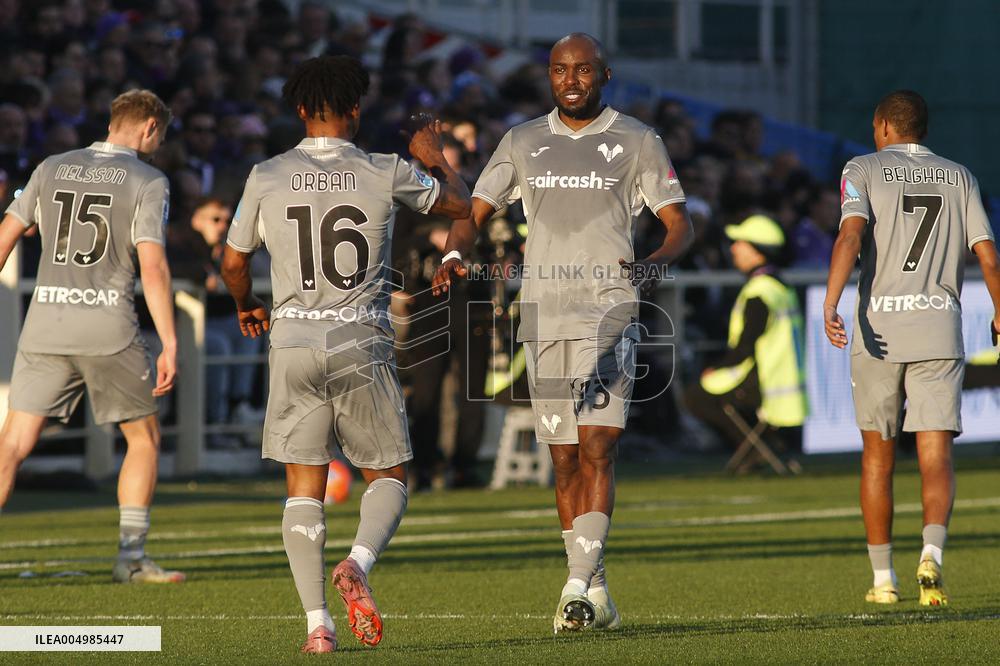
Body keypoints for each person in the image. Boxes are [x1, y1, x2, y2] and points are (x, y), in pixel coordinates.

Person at [433, 33, 693, 632]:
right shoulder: (522, 141)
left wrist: (655, 261)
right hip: (543, 315)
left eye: (582, 70)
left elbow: (678, 224)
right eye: (559, 70)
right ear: (549, 77)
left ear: (605, 73)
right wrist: (452, 256)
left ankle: (575, 586)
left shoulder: (637, 140)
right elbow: (473, 213)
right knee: (567, 458)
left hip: (608, 311)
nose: (571, 80)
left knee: (600, 446)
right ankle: (594, 591)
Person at [221, 55, 471, 654]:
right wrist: (434, 155)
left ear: (301, 109)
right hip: (360, 338)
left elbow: (232, 263)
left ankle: (318, 627)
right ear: (357, 110)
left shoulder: (267, 173)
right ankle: (357, 562)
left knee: (303, 488)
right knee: (387, 474)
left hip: (294, 342)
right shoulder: (385, 169)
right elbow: (462, 208)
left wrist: (247, 303)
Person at [824, 90, 1000, 606]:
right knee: (936, 451)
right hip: (940, 328)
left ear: (882, 126)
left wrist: (830, 304)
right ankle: (932, 555)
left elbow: (850, 238)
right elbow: (988, 256)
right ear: (923, 127)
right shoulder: (959, 175)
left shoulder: (862, 168)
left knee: (877, 456)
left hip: (879, 329)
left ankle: (883, 580)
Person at [0, 90, 183, 584]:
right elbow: (154, 266)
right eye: (160, 135)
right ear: (147, 127)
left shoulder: (52, 165)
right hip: (108, 326)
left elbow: (6, 236)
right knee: (142, 438)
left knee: (12, 443)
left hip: (46, 324)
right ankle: (130, 558)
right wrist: (169, 339)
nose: (159, 145)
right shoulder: (148, 180)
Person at [683, 215, 808, 461]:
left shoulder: (760, 291)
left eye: (740, 242)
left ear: (757, 250)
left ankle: (754, 449)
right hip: (780, 377)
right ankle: (762, 446)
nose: (733, 249)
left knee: (693, 397)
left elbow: (745, 349)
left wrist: (715, 368)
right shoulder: (779, 286)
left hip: (761, 381)